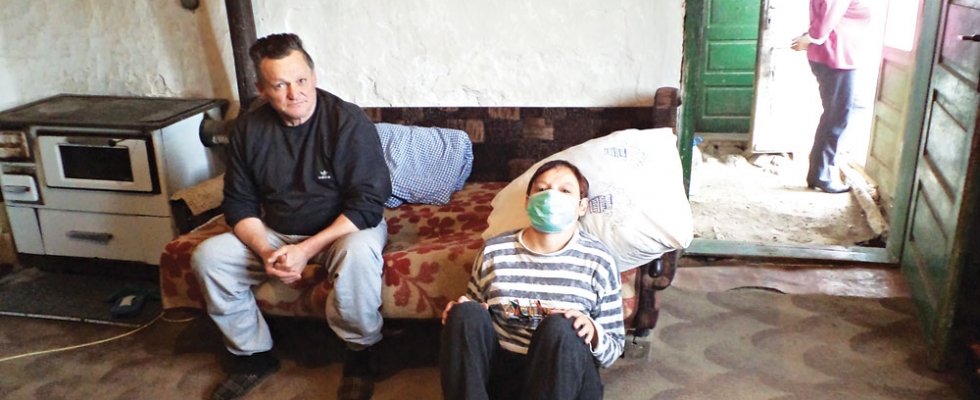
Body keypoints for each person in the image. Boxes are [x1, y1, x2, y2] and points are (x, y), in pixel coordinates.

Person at [191, 33, 391, 400]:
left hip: (343, 228)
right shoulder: (249, 129)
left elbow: (368, 204)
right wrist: (267, 252)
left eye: (301, 80)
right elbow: (239, 203)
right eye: (280, 85)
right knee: (209, 257)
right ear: (262, 89)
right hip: (278, 230)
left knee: (359, 254)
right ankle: (253, 356)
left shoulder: (347, 121)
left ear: (314, 77)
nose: (294, 93)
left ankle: (361, 353)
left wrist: (306, 250)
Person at [439, 160, 625, 400]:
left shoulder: (599, 261)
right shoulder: (494, 252)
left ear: (582, 206)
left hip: (563, 376)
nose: (551, 196)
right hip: (503, 372)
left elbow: (613, 348)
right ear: (528, 201)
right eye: (542, 189)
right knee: (465, 313)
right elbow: (474, 321)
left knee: (562, 325)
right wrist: (461, 313)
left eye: (565, 190)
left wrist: (593, 331)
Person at [791, 0, 875, 193]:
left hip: (838, 52)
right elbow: (825, 21)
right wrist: (811, 38)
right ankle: (822, 175)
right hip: (836, 55)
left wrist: (810, 38)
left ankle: (821, 171)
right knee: (836, 116)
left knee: (839, 114)